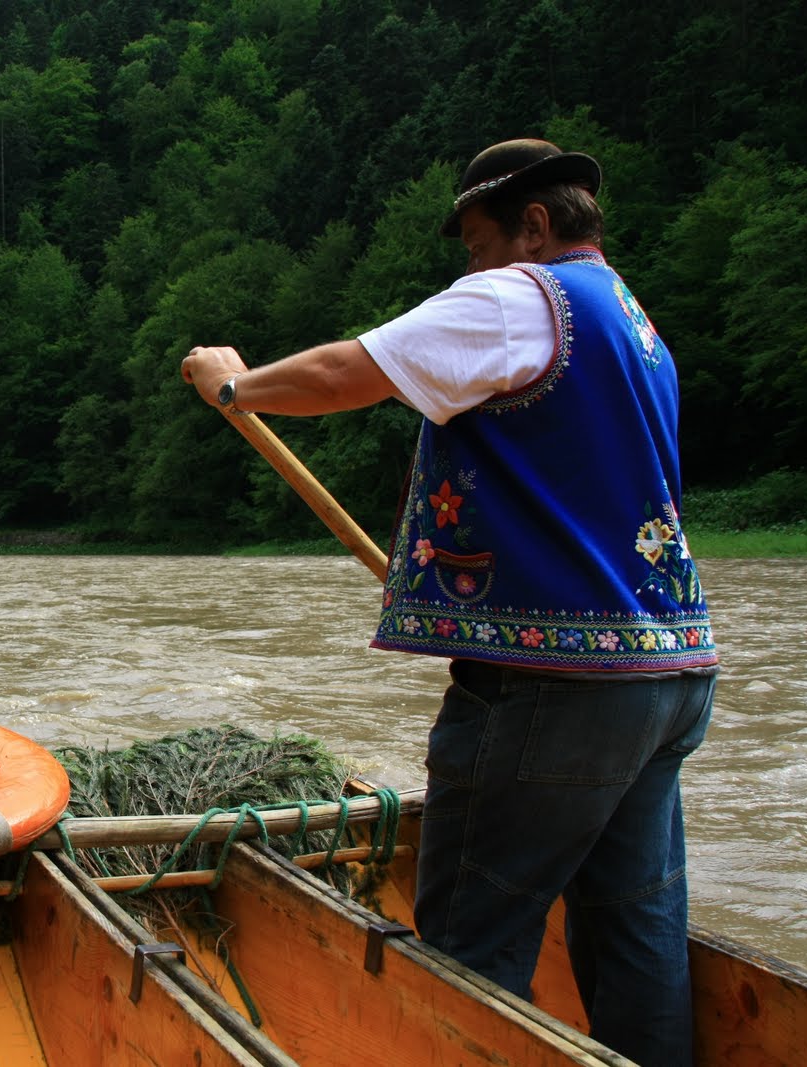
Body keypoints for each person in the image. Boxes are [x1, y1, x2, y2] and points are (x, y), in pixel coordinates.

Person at [181, 138, 718, 1066]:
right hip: (667, 676)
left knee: (470, 944)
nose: (470, 267)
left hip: (557, 690)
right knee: (637, 943)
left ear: (535, 225)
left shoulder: (523, 295)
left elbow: (346, 373)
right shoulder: (636, 324)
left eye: (475, 243)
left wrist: (235, 385)